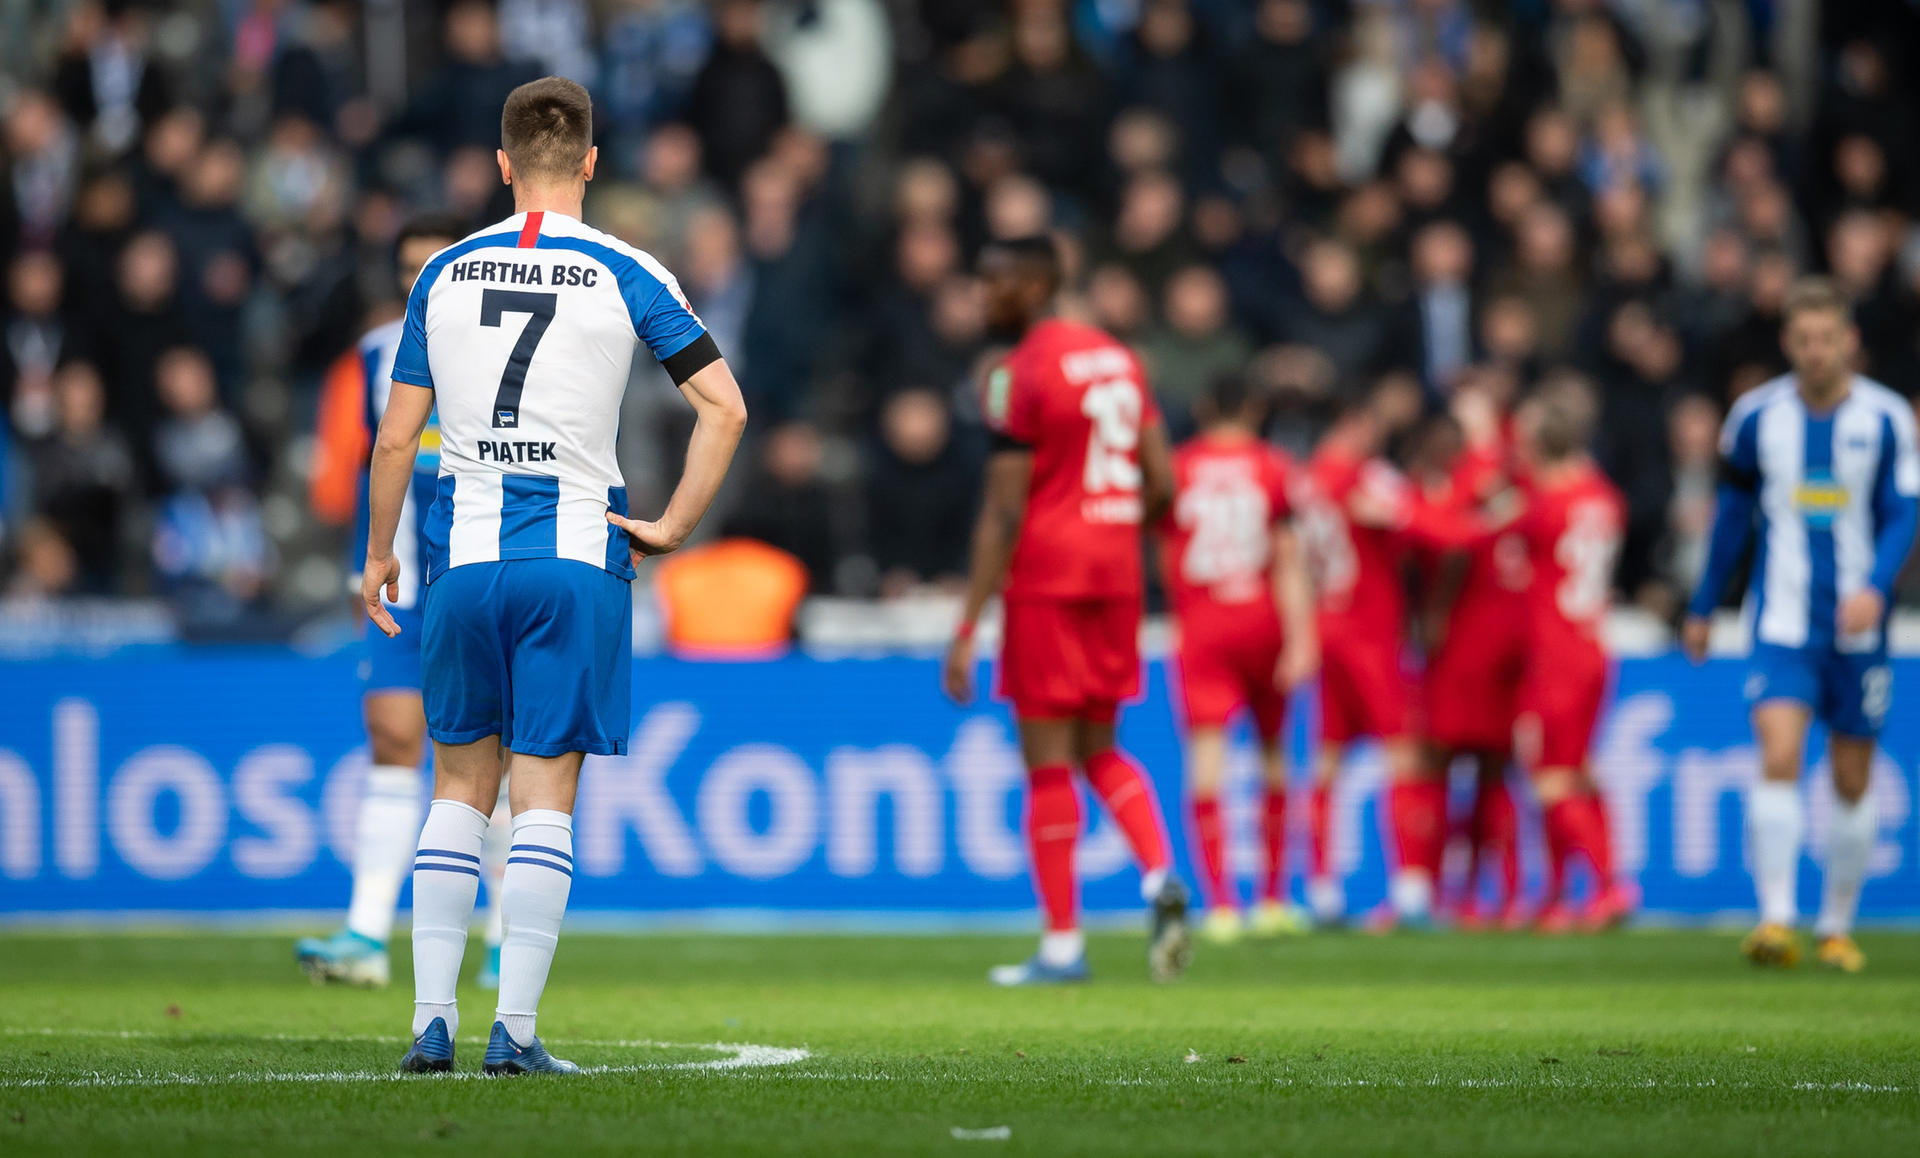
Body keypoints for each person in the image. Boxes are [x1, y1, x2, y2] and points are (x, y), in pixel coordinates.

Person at [366, 77, 746, 1074]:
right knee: (542, 798)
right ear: (588, 160)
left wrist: (377, 559)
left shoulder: (443, 271)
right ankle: (517, 1034)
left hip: (461, 561)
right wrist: (670, 524)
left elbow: (397, 438)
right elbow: (726, 407)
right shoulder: (627, 268)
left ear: (501, 166)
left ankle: (428, 1024)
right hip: (575, 556)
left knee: (456, 788)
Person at [942, 235, 1191, 986]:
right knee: (1100, 747)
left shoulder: (1012, 375)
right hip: (1115, 577)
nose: (982, 295)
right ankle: (1157, 876)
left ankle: (1061, 947)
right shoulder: (1119, 358)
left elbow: (1002, 514)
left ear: (1038, 283)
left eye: (995, 281)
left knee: (1047, 760)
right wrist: (1107, 530)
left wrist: (966, 626)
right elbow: (1164, 483)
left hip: (1047, 579)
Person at [299, 214, 511, 991]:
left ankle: (502, 934)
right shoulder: (377, 352)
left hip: (482, 573)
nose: (422, 279)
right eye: (410, 268)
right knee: (393, 736)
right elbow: (371, 467)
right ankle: (365, 935)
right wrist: (370, 559)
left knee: (495, 758)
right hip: (406, 581)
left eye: (436, 264)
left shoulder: (504, 337)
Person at [1683, 278, 1918, 973]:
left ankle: (1837, 925)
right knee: (1778, 756)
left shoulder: (1884, 419)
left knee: (1851, 777)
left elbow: (1903, 513)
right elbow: (1731, 519)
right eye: (1803, 340)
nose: (1816, 352)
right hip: (1780, 621)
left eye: (1828, 339)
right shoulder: (1755, 418)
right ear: (1789, 343)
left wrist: (1876, 586)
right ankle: (1777, 918)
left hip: (1857, 628)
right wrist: (1702, 604)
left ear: (1849, 340)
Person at [1157, 373, 1317, 943]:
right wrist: (1302, 638)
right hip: (1263, 622)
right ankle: (1273, 898)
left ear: (1203, 409)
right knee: (1275, 755)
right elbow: (1289, 554)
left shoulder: (1176, 468)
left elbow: (1160, 547)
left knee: (1206, 761)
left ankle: (1221, 904)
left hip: (1202, 628)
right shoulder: (1275, 467)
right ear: (1252, 408)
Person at [1292, 387, 1433, 929]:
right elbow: (1417, 520)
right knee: (1404, 755)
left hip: (1326, 628)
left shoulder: (1306, 479)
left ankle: (1322, 890)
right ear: (1352, 422)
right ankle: (1412, 891)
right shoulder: (1365, 476)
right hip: (1370, 634)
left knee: (1327, 761)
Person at [1507, 378, 1635, 933]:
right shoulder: (1602, 495)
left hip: (1556, 655)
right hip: (1593, 646)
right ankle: (1561, 893)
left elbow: (1479, 528)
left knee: (1550, 777)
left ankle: (1608, 884)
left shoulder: (1543, 507)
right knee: (1578, 770)